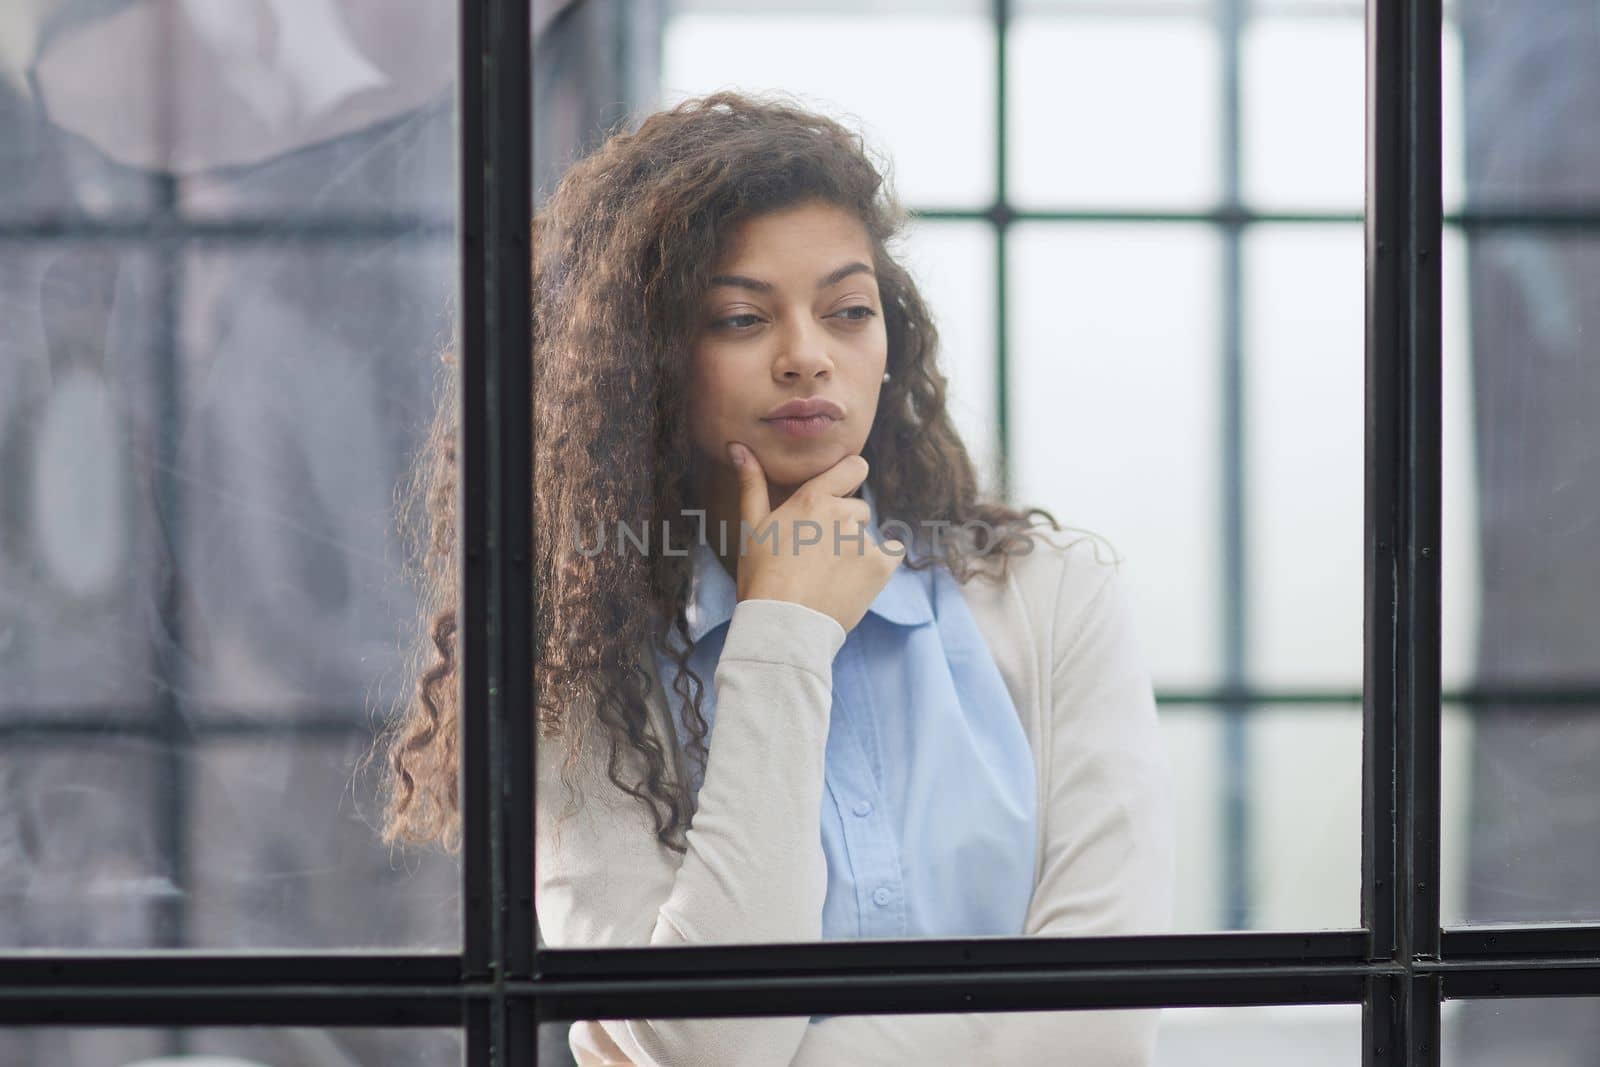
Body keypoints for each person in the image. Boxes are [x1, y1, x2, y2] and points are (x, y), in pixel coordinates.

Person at [376, 89, 1176, 1067]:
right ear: (650, 359)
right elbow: (713, 1043)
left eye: (847, 311)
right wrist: (782, 633)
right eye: (742, 317)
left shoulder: (1051, 597)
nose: (807, 357)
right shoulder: (582, 650)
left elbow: (1099, 1033)